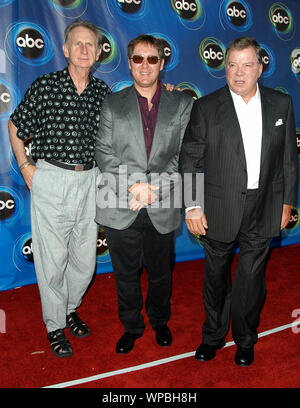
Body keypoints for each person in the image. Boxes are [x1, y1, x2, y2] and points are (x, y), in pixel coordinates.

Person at [179, 36, 298, 367]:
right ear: (224, 68)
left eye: (247, 65)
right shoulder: (205, 108)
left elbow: (289, 159)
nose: (239, 72)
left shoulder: (281, 104)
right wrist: (191, 205)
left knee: (250, 280)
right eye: (232, 64)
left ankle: (246, 339)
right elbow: (189, 160)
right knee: (215, 277)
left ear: (260, 68)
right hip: (218, 207)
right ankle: (213, 336)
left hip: (265, 206)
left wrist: (288, 203)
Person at [8, 20, 111, 358]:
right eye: (77, 44)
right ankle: (55, 325)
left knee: (84, 261)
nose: (84, 50)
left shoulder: (103, 94)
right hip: (51, 178)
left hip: (89, 180)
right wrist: (26, 168)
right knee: (52, 261)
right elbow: (16, 124)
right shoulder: (46, 86)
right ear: (66, 50)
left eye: (89, 45)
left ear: (98, 52)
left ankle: (69, 307)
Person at [95, 34, 193, 353]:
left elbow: (184, 153)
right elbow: (103, 151)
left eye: (153, 59)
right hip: (120, 200)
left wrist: (156, 188)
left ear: (162, 63)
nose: (145, 65)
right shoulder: (112, 102)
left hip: (162, 202)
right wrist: (133, 185)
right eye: (139, 58)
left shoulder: (182, 104)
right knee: (125, 273)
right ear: (129, 62)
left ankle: (159, 321)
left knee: (161, 272)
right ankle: (132, 326)